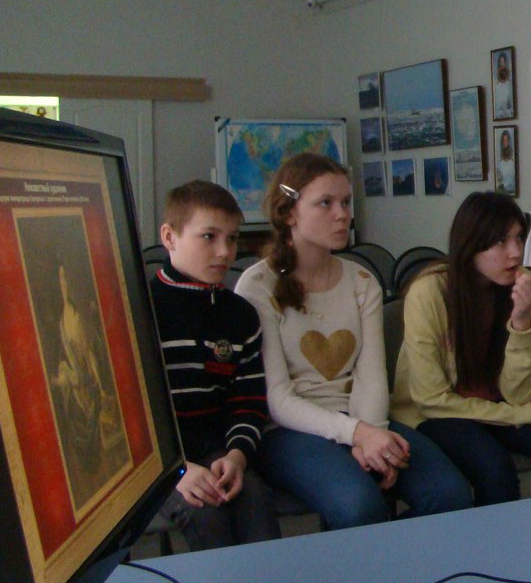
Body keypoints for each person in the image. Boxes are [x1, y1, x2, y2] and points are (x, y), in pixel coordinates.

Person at [236, 153, 471, 530]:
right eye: (325, 203)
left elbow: (372, 375)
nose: (342, 214)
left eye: (346, 202)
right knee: (360, 507)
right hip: (291, 431)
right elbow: (278, 400)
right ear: (290, 212)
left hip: (362, 417)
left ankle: (395, 562)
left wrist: (371, 435)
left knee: (450, 494)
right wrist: (358, 435)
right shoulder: (257, 285)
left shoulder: (361, 281)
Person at [391, 192, 531, 505]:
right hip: (440, 414)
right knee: (495, 471)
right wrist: (524, 413)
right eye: (501, 241)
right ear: (471, 245)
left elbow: (517, 393)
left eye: (519, 238)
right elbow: (431, 400)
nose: (515, 252)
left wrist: (521, 323)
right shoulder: (429, 292)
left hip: (501, 405)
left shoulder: (522, 284)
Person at [151, 180, 280, 551]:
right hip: (158, 462)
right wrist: (176, 470)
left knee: (254, 501)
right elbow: (128, 417)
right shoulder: (139, 308)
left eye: (232, 239)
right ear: (170, 237)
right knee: (206, 514)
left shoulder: (240, 315)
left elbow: (248, 401)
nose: (224, 252)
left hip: (216, 450)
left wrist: (237, 456)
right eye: (208, 237)